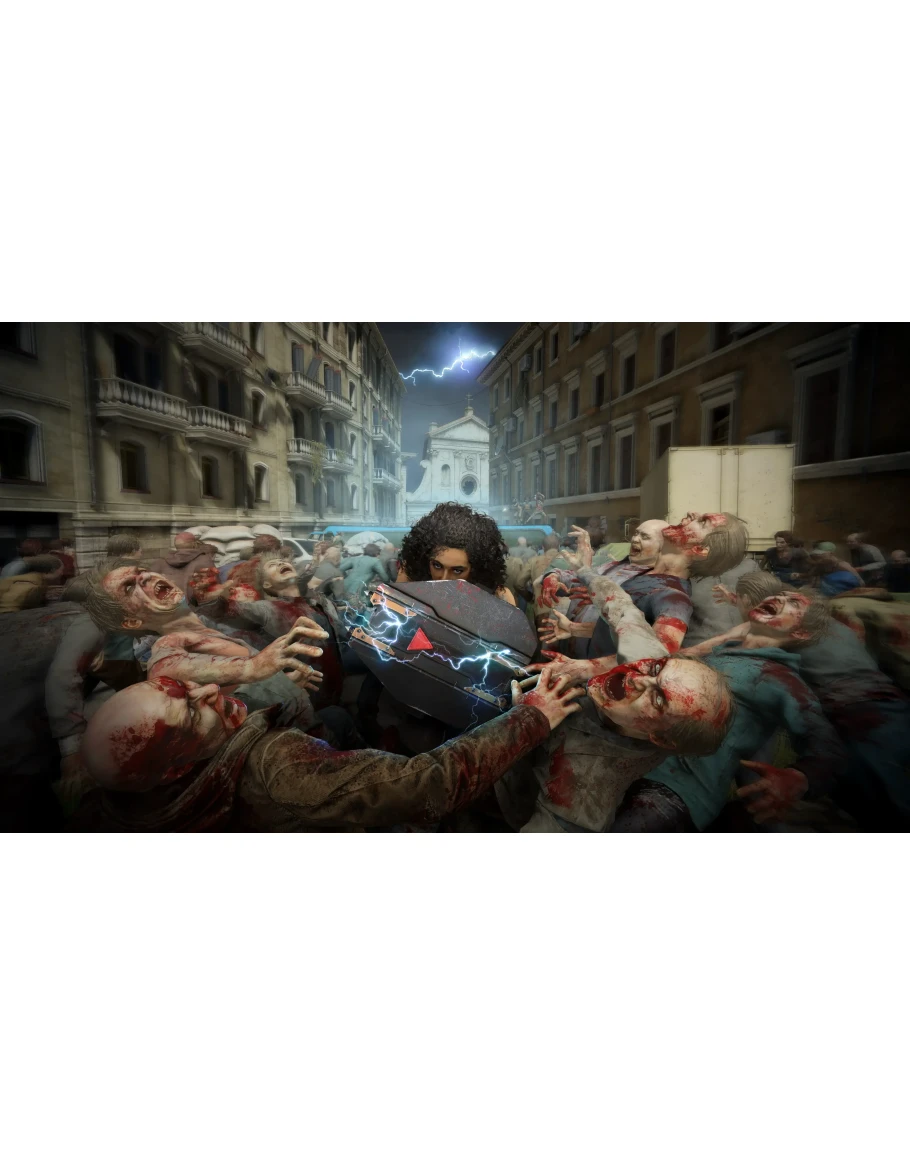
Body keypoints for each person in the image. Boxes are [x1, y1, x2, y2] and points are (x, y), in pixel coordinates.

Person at [71, 664, 583, 832]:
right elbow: (429, 784)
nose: (207, 690)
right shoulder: (278, 771)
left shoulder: (108, 801)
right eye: (189, 711)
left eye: (184, 687)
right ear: (172, 771)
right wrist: (533, 715)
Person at [496, 576, 736, 833]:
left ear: (660, 738)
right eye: (656, 669)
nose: (637, 678)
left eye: (658, 698)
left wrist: (525, 722)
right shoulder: (652, 659)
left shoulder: (584, 789)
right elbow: (620, 606)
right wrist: (583, 572)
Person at [614, 586, 847, 831]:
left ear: (800, 632)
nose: (779, 597)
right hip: (632, 768)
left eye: (794, 603)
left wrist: (800, 777)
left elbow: (829, 745)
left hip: (673, 792)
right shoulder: (721, 653)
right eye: (782, 594)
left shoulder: (778, 677)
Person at [704, 571, 910, 829]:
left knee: (883, 800)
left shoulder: (795, 628)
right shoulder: (818, 618)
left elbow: (744, 627)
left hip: (861, 714)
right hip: (883, 703)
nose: (780, 600)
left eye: (790, 600)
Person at [396, 502, 516, 605]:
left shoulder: (499, 598)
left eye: (457, 571)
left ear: (476, 570)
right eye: (437, 566)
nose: (444, 579)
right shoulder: (409, 583)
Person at [144, 531, 218, 594]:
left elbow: (146, 583)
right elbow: (216, 586)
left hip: (167, 600)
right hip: (194, 602)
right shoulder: (204, 560)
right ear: (193, 544)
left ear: (176, 546)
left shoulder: (161, 562)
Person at [0, 555, 64, 614]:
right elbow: (6, 611)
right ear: (51, 570)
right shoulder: (28, 585)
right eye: (61, 570)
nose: (62, 573)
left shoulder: (36, 580)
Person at [339, 543, 388, 608]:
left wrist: (345, 577)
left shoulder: (356, 558)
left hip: (343, 588)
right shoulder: (376, 561)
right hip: (357, 594)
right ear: (376, 553)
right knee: (373, 606)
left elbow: (340, 569)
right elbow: (385, 578)